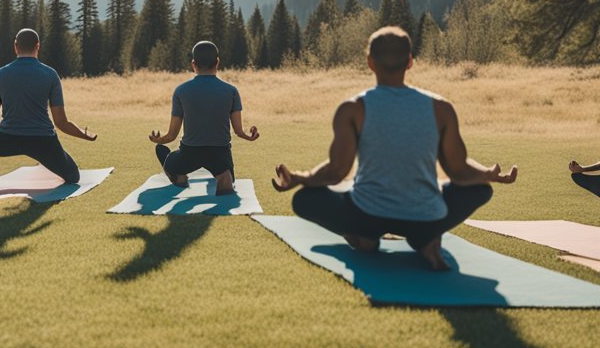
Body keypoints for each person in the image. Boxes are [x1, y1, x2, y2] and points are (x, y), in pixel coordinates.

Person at [271, 26, 516, 271]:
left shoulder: (353, 108)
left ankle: (363, 236)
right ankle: (425, 238)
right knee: (480, 190)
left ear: (370, 62)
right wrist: (487, 174)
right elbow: (459, 171)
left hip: (367, 215)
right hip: (426, 218)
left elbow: (336, 172)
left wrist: (299, 178)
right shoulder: (441, 108)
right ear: (410, 62)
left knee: (304, 199)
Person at [0, 28, 96, 195]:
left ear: (15, 46)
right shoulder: (50, 74)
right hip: (43, 141)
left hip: (8, 139)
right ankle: (45, 160)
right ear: (38, 46)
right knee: (73, 176)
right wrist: (84, 134)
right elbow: (61, 123)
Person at [149, 40, 260, 193]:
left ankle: (180, 177)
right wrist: (250, 136)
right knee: (223, 170)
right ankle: (223, 176)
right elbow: (239, 132)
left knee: (161, 150)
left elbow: (171, 136)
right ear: (217, 62)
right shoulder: (231, 91)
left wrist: (158, 139)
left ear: (193, 64)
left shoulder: (181, 91)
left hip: (190, 153)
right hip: (220, 153)